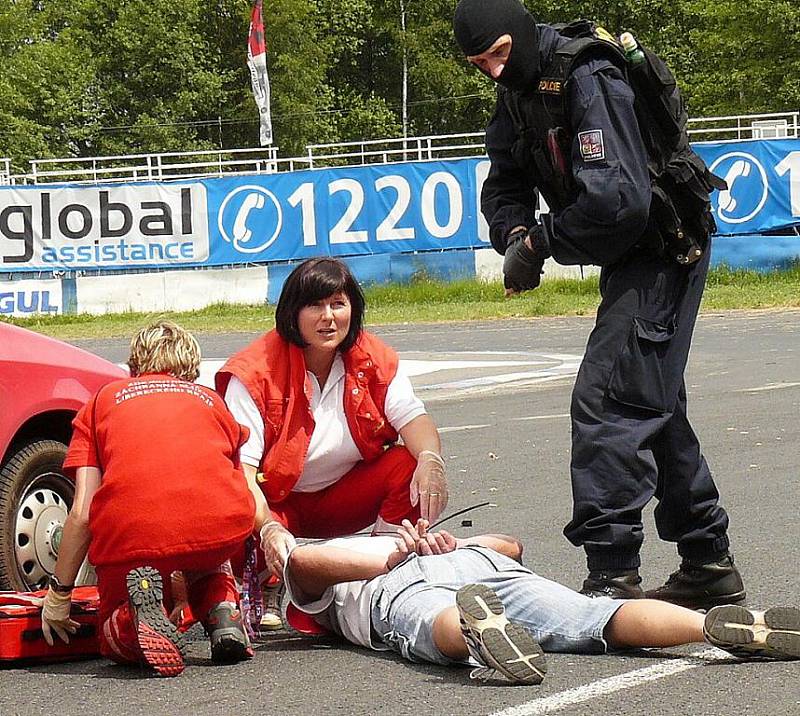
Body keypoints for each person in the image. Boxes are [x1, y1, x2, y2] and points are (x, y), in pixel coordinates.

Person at [452, 0, 744, 608]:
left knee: (609, 397)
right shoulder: (520, 92)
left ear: (524, 35)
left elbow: (619, 202)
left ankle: (612, 572)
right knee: (649, 397)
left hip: (666, 246)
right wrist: (513, 236)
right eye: (481, 64)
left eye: (500, 55)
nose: (494, 72)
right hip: (627, 253)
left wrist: (542, 243)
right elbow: (504, 177)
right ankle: (707, 559)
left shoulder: (588, 76)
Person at [216, 257, 448, 628]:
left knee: (407, 464)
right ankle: (268, 580)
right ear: (292, 312)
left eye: (338, 304)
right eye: (315, 305)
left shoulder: (372, 356)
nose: (328, 317)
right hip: (274, 504)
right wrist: (268, 528)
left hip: (341, 497)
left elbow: (413, 417)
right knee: (233, 504)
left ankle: (384, 570)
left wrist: (431, 459)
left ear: (352, 310)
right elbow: (240, 474)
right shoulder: (254, 371)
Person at [284, 519, 800, 685]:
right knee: (593, 614)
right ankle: (705, 625)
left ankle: (472, 629)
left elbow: (509, 547)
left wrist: (439, 544)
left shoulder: (356, 547)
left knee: (425, 624)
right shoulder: (329, 555)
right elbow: (300, 568)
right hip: (446, 571)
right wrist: (413, 549)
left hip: (426, 579)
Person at [39, 321, 271, 677]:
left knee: (109, 638)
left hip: (134, 539)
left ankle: (130, 619)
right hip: (218, 528)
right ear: (192, 369)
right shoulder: (212, 401)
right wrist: (270, 533)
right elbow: (234, 485)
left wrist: (59, 596)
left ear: (134, 366)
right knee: (211, 551)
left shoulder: (101, 402)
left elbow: (82, 512)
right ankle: (223, 606)